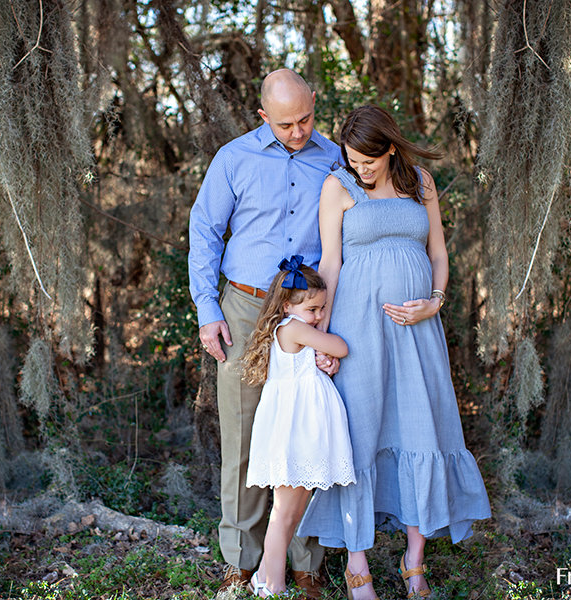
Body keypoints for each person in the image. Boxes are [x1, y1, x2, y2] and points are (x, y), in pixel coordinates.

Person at [297, 105, 491, 600]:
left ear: (390, 147)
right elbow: (331, 264)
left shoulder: (420, 182)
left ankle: (414, 560)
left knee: (420, 426)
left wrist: (435, 302)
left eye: (369, 159)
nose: (361, 168)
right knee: (361, 432)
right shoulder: (337, 187)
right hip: (357, 330)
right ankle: (357, 566)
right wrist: (325, 338)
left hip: (416, 331)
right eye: (353, 159)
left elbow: (439, 253)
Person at [187, 69, 342, 597]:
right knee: (245, 435)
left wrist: (331, 325)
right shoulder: (233, 159)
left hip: (309, 314)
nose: (297, 132)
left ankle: (307, 557)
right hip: (245, 308)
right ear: (261, 116)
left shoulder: (336, 157)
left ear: (315, 104)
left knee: (307, 435)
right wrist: (208, 309)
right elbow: (205, 230)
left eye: (305, 119)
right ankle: (242, 558)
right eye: (284, 124)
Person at [241, 257, 356, 597]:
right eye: (313, 309)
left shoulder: (299, 329)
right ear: (288, 305)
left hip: (305, 431)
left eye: (322, 309)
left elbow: (324, 358)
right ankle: (271, 584)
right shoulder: (292, 327)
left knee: (292, 513)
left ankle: (264, 576)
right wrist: (327, 349)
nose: (319, 316)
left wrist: (325, 362)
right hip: (294, 432)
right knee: (284, 513)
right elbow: (341, 346)